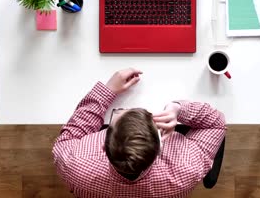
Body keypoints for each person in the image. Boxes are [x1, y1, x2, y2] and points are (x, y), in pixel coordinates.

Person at [52, 68, 227, 198]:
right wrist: (178, 109)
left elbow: (70, 136)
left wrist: (107, 91)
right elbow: (216, 125)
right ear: (160, 146)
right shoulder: (185, 169)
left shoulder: (74, 166)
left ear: (104, 146)